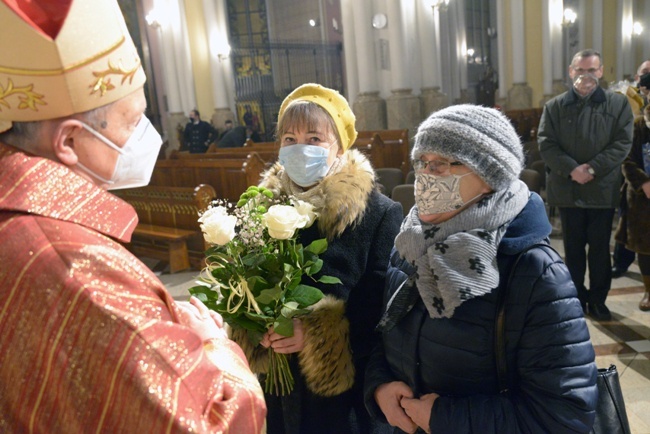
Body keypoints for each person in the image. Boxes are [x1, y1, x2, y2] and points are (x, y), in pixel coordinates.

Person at [0, 1, 266, 432]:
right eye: (133, 121)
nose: (145, 137)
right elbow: (218, 423)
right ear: (69, 140)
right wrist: (216, 345)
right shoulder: (80, 267)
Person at [365, 104, 598, 433]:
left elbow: (564, 415)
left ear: (490, 176)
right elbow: (386, 335)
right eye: (422, 163)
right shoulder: (410, 242)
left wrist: (444, 418)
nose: (426, 176)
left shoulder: (534, 272)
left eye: (442, 164)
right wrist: (379, 387)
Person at [229, 83, 403, 434]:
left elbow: (384, 311)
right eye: (289, 139)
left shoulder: (377, 213)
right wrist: (255, 324)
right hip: (281, 383)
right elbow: (247, 284)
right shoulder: (261, 208)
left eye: (314, 139)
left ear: (339, 146)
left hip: (346, 392)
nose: (299, 149)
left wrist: (312, 335)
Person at [538, 49, 634, 321]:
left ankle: (598, 300)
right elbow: (546, 143)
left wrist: (591, 168)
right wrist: (572, 169)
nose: (586, 76)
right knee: (573, 250)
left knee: (601, 250)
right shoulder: (554, 106)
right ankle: (577, 298)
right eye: (580, 70)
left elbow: (622, 143)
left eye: (592, 70)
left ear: (601, 72)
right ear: (571, 72)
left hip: (601, 189)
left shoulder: (618, 105)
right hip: (568, 190)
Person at [612, 59, 650, 277]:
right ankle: (621, 262)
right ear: (637, 76)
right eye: (644, 72)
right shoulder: (624, 96)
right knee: (630, 223)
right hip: (633, 171)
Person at [614, 105, 650, 311]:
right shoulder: (638, 125)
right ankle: (648, 291)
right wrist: (644, 183)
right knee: (646, 248)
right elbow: (627, 159)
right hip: (643, 198)